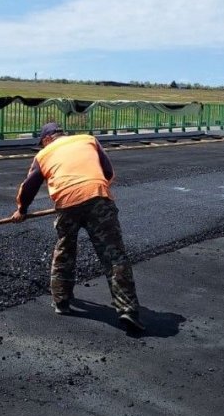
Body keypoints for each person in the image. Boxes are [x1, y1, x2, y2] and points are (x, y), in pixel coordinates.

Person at [10, 122, 143, 332]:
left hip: (67, 202)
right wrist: (94, 191)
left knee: (65, 250)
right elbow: (107, 172)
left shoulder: (43, 154)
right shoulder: (88, 140)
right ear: (62, 133)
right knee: (114, 255)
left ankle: (61, 301)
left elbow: (29, 186)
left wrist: (22, 209)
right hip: (98, 197)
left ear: (46, 139)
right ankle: (127, 309)